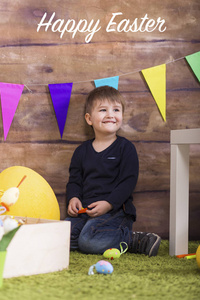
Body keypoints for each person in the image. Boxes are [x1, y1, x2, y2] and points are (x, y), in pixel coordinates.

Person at [65, 86, 161, 256]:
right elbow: (74, 180)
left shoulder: (125, 148)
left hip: (116, 212)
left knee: (88, 243)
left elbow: (128, 183)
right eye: (103, 110)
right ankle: (100, 237)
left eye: (116, 110)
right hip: (85, 213)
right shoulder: (81, 151)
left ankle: (133, 239)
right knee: (60, 237)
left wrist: (108, 204)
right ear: (89, 118)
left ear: (122, 116)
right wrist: (73, 197)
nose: (110, 115)